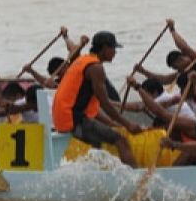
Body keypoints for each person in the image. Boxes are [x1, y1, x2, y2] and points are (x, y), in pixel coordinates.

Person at [51, 31, 142, 167]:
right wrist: (128, 125)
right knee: (121, 140)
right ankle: (137, 179)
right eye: (113, 48)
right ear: (105, 48)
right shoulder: (96, 68)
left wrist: (114, 123)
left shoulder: (82, 60)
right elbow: (105, 103)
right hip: (73, 120)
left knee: (99, 142)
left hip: (62, 119)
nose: (115, 53)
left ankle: (101, 173)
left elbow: (95, 108)